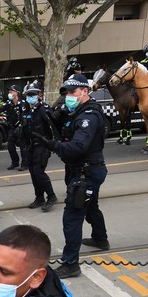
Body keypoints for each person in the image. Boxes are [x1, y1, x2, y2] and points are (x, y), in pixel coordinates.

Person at [37, 75, 109, 279]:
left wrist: (53, 146)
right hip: (85, 170)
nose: (69, 96)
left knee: (72, 216)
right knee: (91, 206)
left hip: (86, 173)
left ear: (84, 91)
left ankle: (71, 263)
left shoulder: (88, 116)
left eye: (72, 92)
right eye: (66, 93)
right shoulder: (76, 111)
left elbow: (78, 146)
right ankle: (100, 239)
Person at [21, 81, 58, 212]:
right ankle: (39, 197)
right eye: (28, 94)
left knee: (39, 171)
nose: (31, 96)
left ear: (38, 95)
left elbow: (53, 126)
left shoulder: (43, 109)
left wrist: (54, 144)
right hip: (30, 145)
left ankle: (51, 196)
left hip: (42, 145)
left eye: (33, 94)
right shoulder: (26, 108)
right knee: (33, 172)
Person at [0, 84, 26, 171]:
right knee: (10, 146)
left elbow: (26, 116)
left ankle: (24, 164)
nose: (9, 93)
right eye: (9, 92)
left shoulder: (23, 104)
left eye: (11, 92)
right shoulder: (9, 103)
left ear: (16, 93)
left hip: (21, 128)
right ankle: (15, 163)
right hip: (12, 128)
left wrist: (23, 127)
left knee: (23, 147)